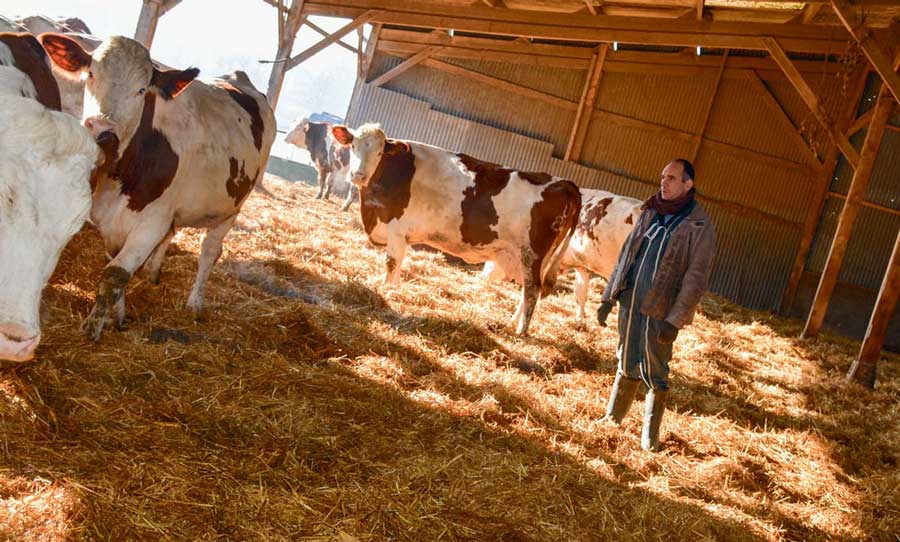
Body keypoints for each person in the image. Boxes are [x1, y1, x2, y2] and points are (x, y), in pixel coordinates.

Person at [595, 158, 716, 451]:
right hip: (630, 300)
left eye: (672, 178)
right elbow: (626, 254)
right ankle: (612, 419)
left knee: (655, 369)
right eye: (663, 176)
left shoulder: (698, 225)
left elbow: (696, 277)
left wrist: (675, 320)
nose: (664, 182)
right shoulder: (650, 211)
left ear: (688, 185)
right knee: (626, 358)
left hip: (660, 310)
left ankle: (650, 438)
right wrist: (608, 297)